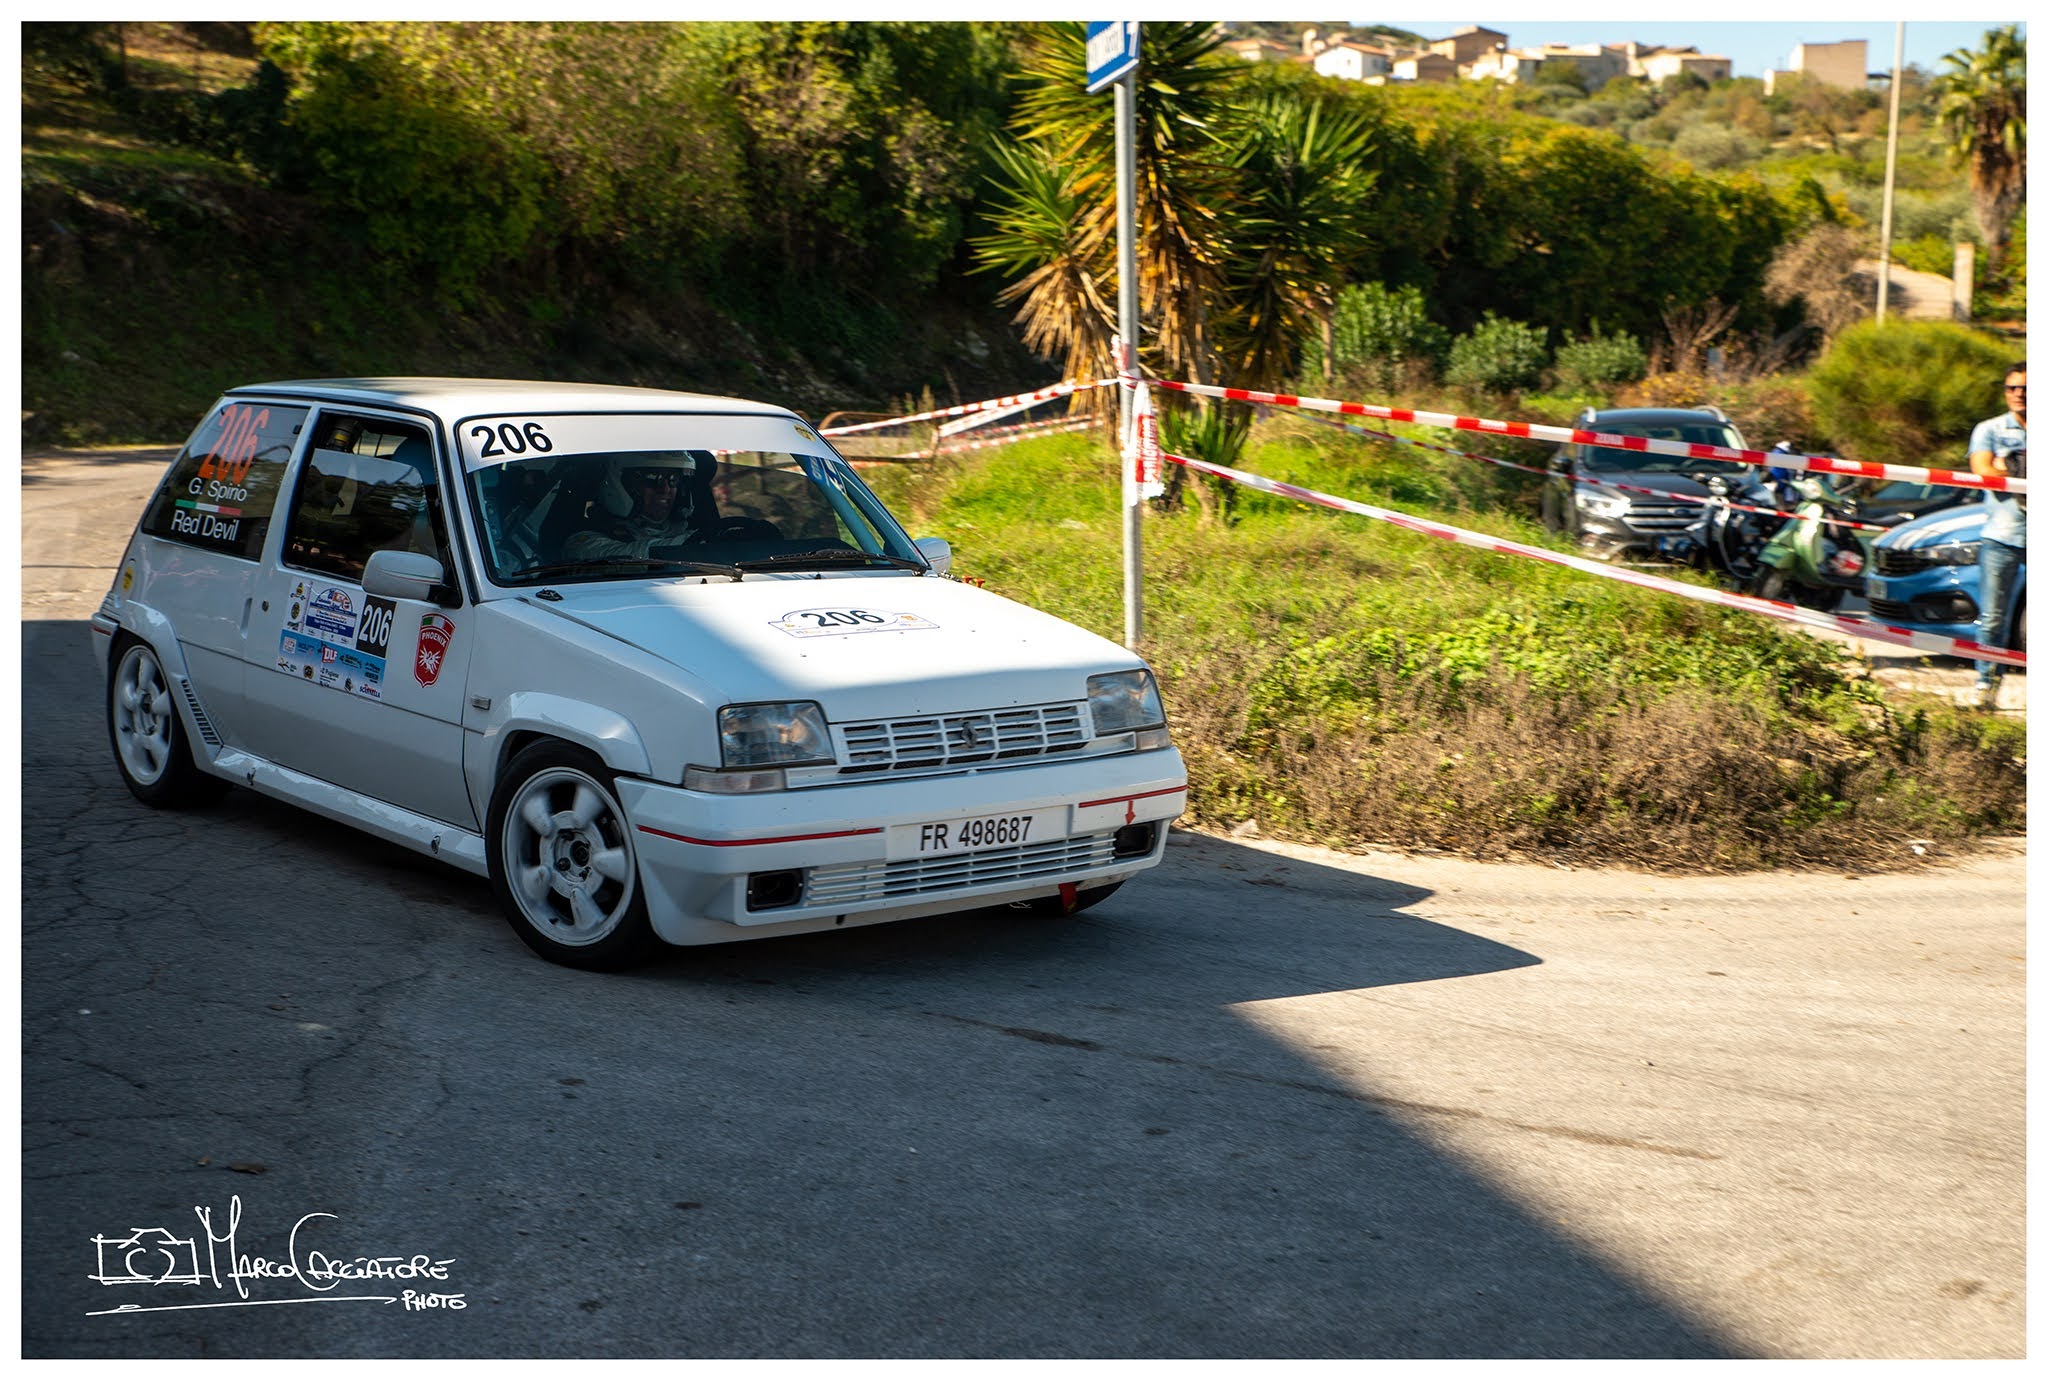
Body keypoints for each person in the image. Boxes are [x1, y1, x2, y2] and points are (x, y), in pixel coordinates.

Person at [1969, 362, 2026, 704]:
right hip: (2002, 536)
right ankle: (1986, 686)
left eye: (2026, 389)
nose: (2019, 395)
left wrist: (2010, 464)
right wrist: (2005, 467)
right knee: (1992, 617)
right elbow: (1984, 471)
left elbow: (2000, 468)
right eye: (2012, 388)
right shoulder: (1989, 429)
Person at [564, 454, 704, 560]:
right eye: (652, 477)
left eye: (674, 479)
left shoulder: (682, 530)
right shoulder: (584, 542)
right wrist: (694, 543)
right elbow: (632, 557)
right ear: (618, 485)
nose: (665, 489)